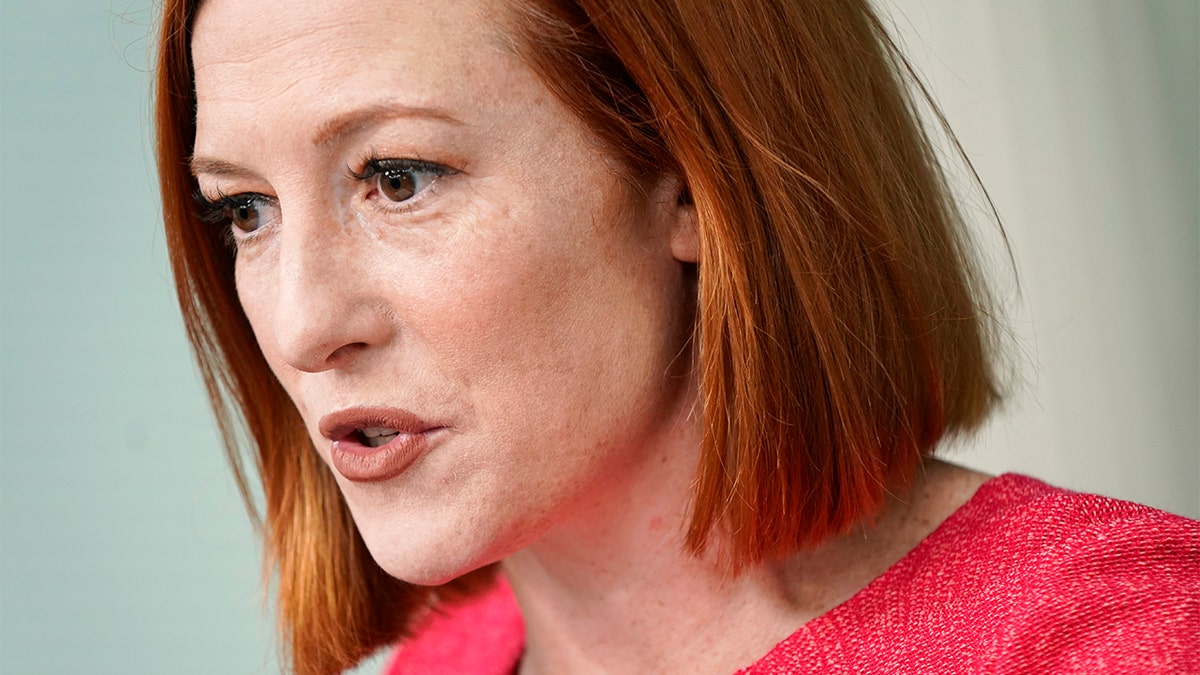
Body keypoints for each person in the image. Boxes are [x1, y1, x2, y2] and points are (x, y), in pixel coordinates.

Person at [153, 0, 1199, 673]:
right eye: (243, 210)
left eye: (398, 178)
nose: (300, 325)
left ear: (695, 176)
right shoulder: (446, 664)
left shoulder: (1123, 639)